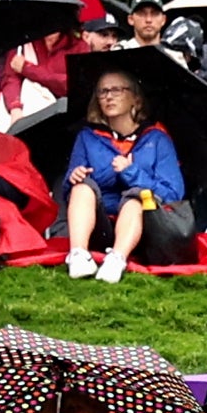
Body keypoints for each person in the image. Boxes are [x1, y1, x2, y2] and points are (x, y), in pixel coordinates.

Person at [57, 63, 192, 281]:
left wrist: (131, 172)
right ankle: (78, 255)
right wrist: (73, 178)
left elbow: (173, 193)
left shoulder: (157, 139)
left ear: (136, 100)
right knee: (81, 188)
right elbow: (69, 189)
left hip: (146, 230)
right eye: (103, 91)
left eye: (117, 90)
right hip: (98, 227)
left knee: (134, 197)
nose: (109, 97)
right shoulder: (87, 137)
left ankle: (117, 260)